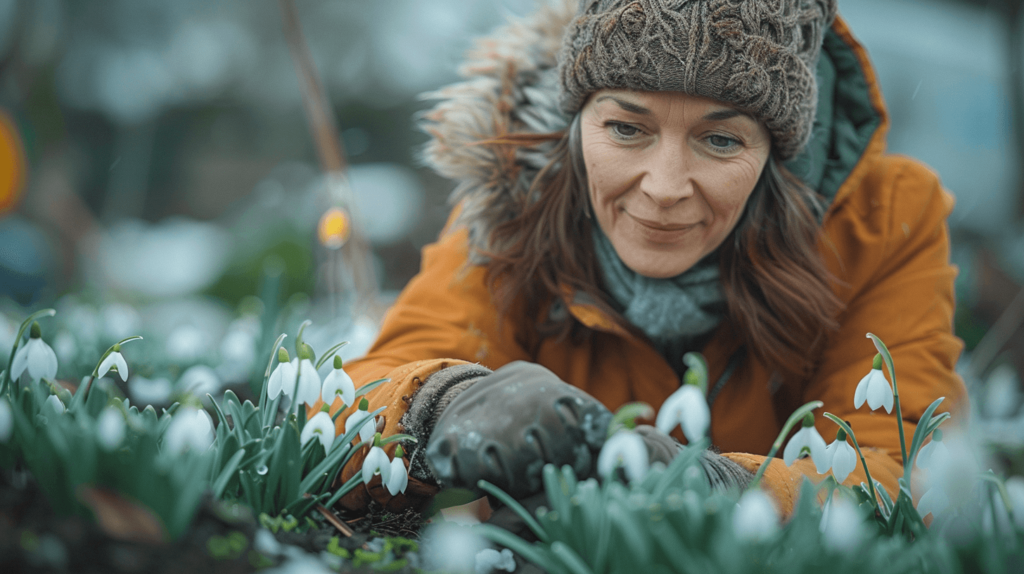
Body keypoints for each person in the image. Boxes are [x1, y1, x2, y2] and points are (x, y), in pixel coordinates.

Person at [313, 0, 968, 518]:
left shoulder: (880, 224)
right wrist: (445, 407)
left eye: (719, 138)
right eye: (627, 128)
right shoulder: (514, 198)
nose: (663, 187)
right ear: (579, 125)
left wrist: (709, 486)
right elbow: (359, 400)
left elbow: (902, 469)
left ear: (778, 152)